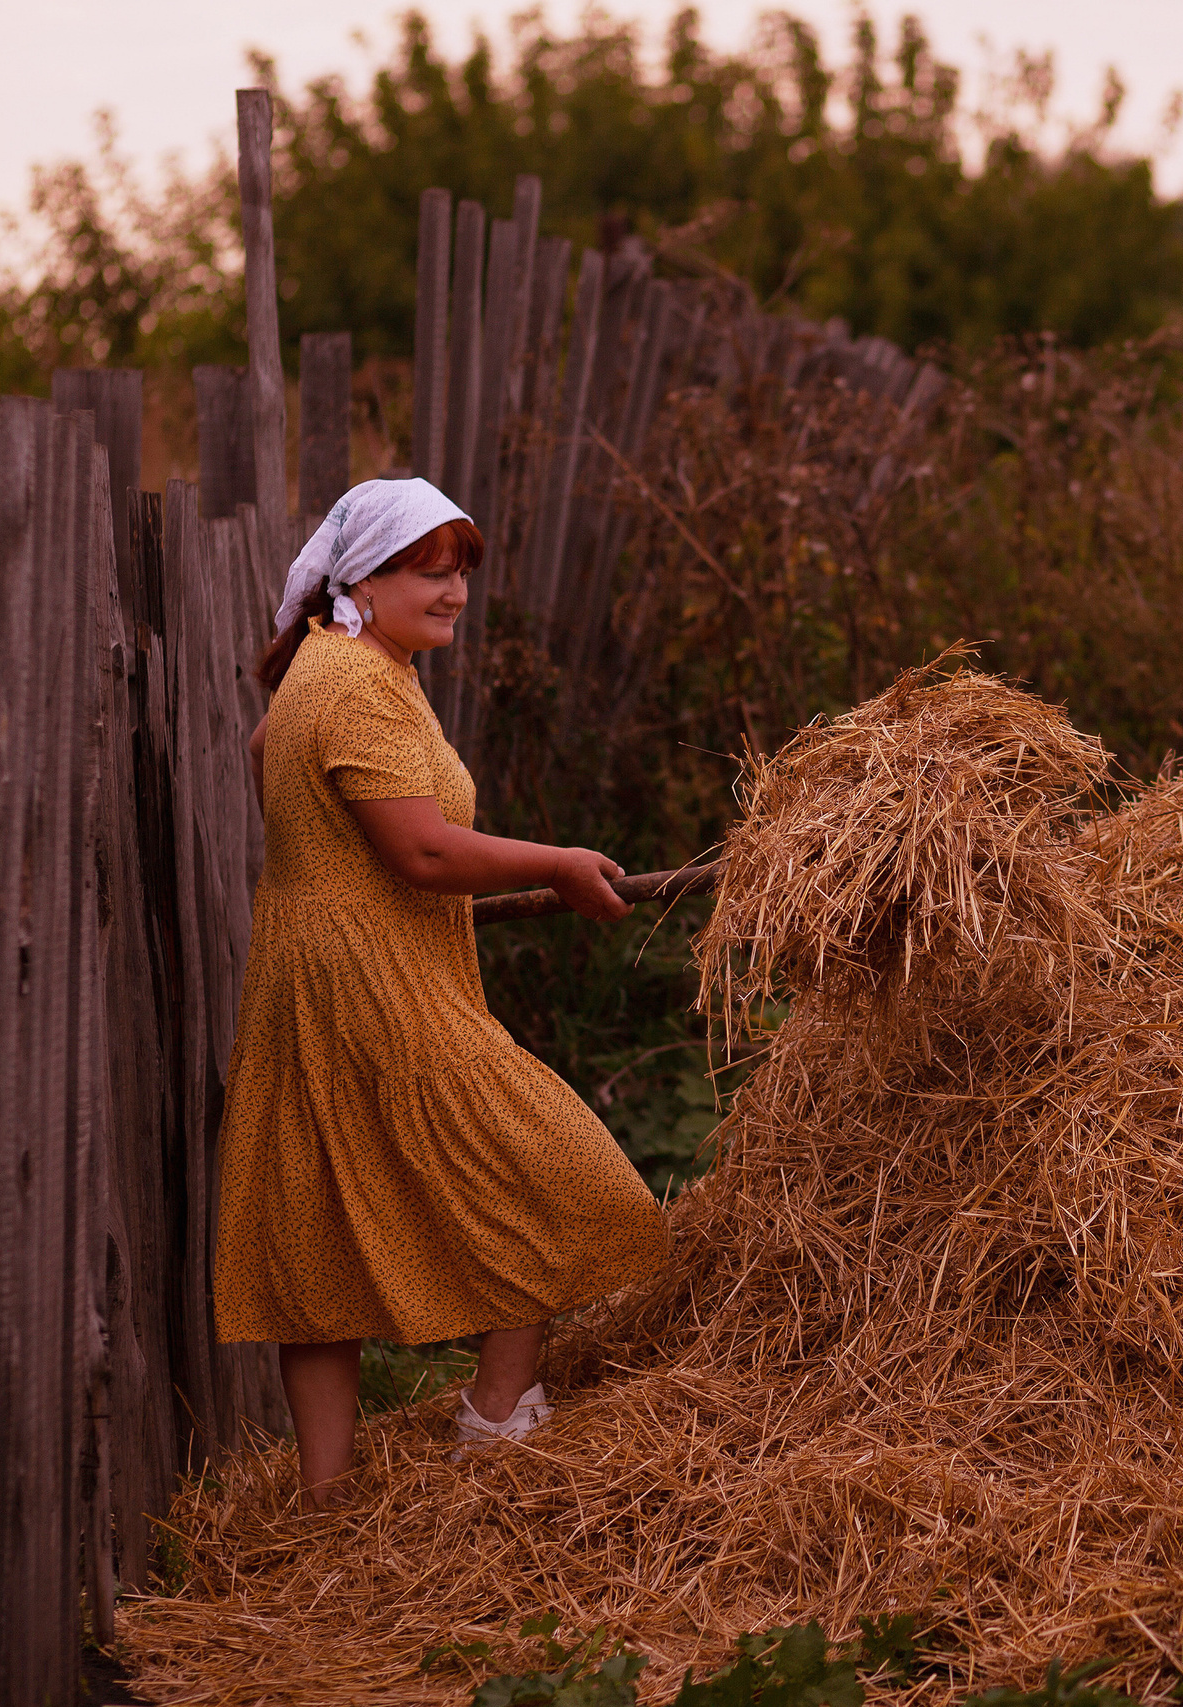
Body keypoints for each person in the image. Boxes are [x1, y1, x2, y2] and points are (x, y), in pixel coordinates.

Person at [215, 476, 672, 1507]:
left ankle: (324, 1502)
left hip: (307, 970)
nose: (455, 590)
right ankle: (498, 1421)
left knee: (315, 1226)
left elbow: (264, 751)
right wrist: (554, 863)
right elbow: (420, 853)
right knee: (557, 1172)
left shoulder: (333, 669)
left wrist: (319, 864)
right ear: (362, 581)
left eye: (461, 570)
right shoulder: (359, 684)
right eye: (430, 570)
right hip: (374, 981)